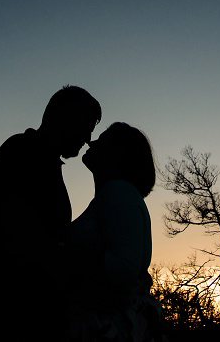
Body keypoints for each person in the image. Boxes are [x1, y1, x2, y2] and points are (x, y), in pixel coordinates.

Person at [0, 85, 102, 339]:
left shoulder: (43, 160)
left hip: (27, 314)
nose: (88, 137)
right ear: (64, 116)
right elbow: (24, 229)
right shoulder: (22, 151)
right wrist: (80, 284)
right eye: (86, 127)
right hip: (3, 315)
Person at [66, 122, 165, 342]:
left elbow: (123, 268)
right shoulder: (115, 195)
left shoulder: (118, 192)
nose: (91, 141)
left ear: (119, 153)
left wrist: (62, 252)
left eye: (103, 139)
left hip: (109, 330)